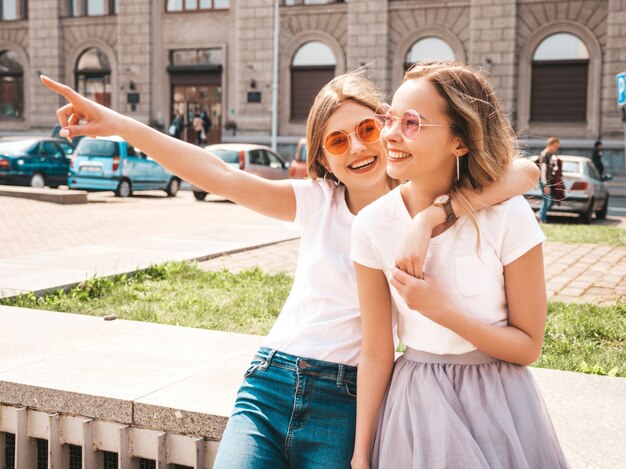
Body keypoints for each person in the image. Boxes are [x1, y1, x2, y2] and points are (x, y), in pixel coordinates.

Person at [40, 72, 538, 469]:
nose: (359, 148)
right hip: (270, 381)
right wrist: (118, 124)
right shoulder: (319, 201)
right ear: (321, 156)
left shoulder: (416, 199)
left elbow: (525, 172)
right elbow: (219, 174)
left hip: (346, 396)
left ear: (387, 127)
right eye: (337, 142)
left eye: (367, 130)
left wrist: (437, 214)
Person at [351, 61, 568, 469]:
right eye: (389, 117)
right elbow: (377, 350)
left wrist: (442, 311)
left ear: (460, 142)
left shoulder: (508, 216)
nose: (391, 134)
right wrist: (362, 454)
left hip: (499, 403)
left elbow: (528, 346)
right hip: (415, 403)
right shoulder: (372, 225)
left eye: (412, 122)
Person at [537, 136, 560, 223]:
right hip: (545, 182)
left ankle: (538, 216)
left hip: (549, 182)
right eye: (555, 146)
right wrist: (545, 184)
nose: (556, 148)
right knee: (546, 201)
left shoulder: (550, 155)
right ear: (549, 145)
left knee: (551, 201)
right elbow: (543, 171)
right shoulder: (545, 155)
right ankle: (541, 219)